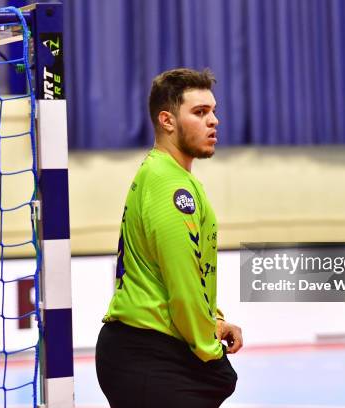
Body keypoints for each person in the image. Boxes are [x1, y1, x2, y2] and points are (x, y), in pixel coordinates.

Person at [95, 67, 242, 408]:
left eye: (213, 111)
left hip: (145, 350)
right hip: (150, 354)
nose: (214, 121)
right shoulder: (172, 187)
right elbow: (182, 281)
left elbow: (186, 271)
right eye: (200, 112)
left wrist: (214, 320)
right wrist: (209, 352)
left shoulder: (165, 174)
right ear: (167, 120)